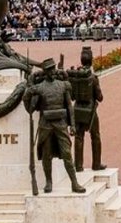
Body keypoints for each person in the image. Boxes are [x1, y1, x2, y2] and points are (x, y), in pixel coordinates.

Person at [24, 57, 85, 194]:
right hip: (46, 124)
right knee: (47, 155)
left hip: (61, 123)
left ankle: (74, 183)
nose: (52, 72)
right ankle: (48, 182)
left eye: (53, 69)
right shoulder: (39, 88)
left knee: (67, 154)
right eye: (49, 70)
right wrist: (28, 91)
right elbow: (30, 108)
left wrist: (73, 125)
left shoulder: (63, 85)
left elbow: (70, 106)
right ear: (45, 72)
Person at [67, 45, 105, 173]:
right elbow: (99, 97)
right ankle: (96, 163)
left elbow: (71, 96)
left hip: (77, 108)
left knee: (79, 137)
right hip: (90, 110)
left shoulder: (76, 76)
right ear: (91, 60)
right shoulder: (93, 78)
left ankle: (78, 165)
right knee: (95, 136)